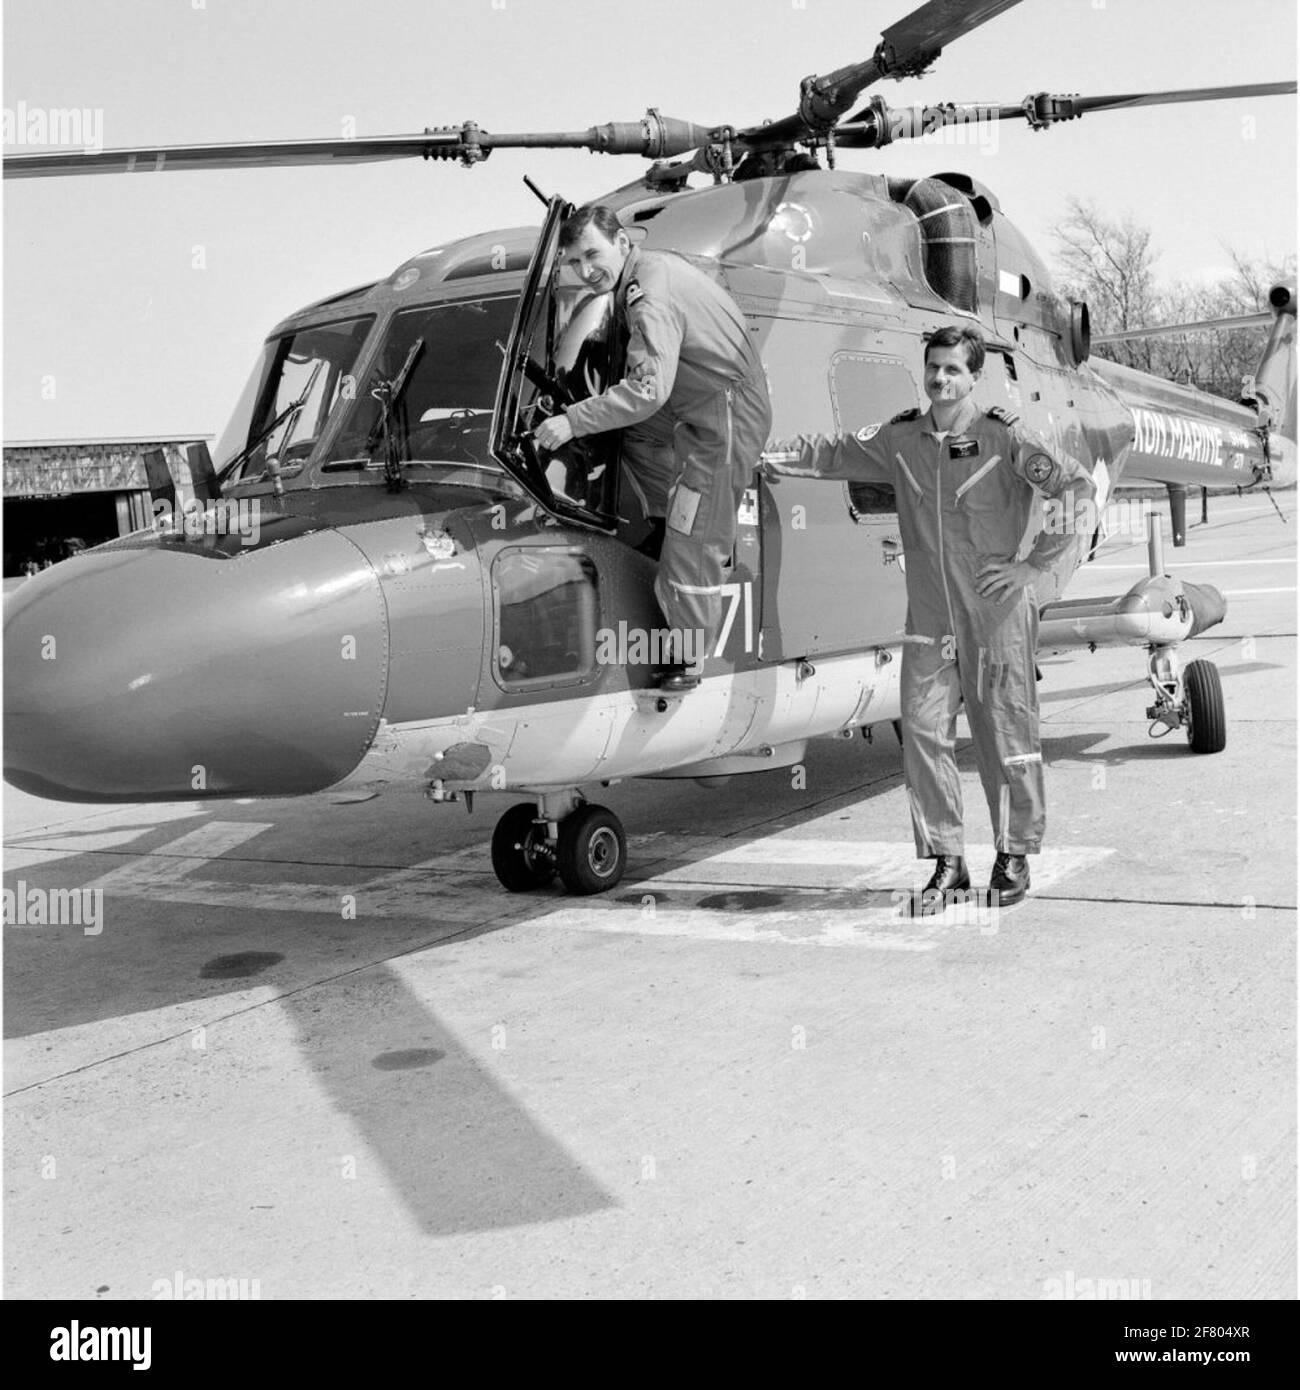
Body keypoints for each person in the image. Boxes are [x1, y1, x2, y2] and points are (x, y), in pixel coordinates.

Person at [768, 324, 1096, 912]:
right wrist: (771, 455)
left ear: (974, 377)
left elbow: (1074, 488)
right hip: (929, 615)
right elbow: (835, 451)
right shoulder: (901, 439)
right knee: (921, 731)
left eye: (953, 369)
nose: (941, 378)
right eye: (934, 368)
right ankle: (948, 862)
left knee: (1005, 735)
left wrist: (1032, 567)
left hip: (995, 613)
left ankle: (1013, 853)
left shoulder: (1004, 438)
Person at [533, 205, 772, 692]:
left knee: (692, 532)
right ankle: (666, 519)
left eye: (592, 255)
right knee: (632, 433)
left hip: (723, 415)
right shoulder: (642, 273)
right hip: (696, 399)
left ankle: (686, 657)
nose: (585, 270)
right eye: (574, 261)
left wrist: (572, 422)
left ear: (622, 242)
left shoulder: (648, 292)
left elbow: (646, 391)